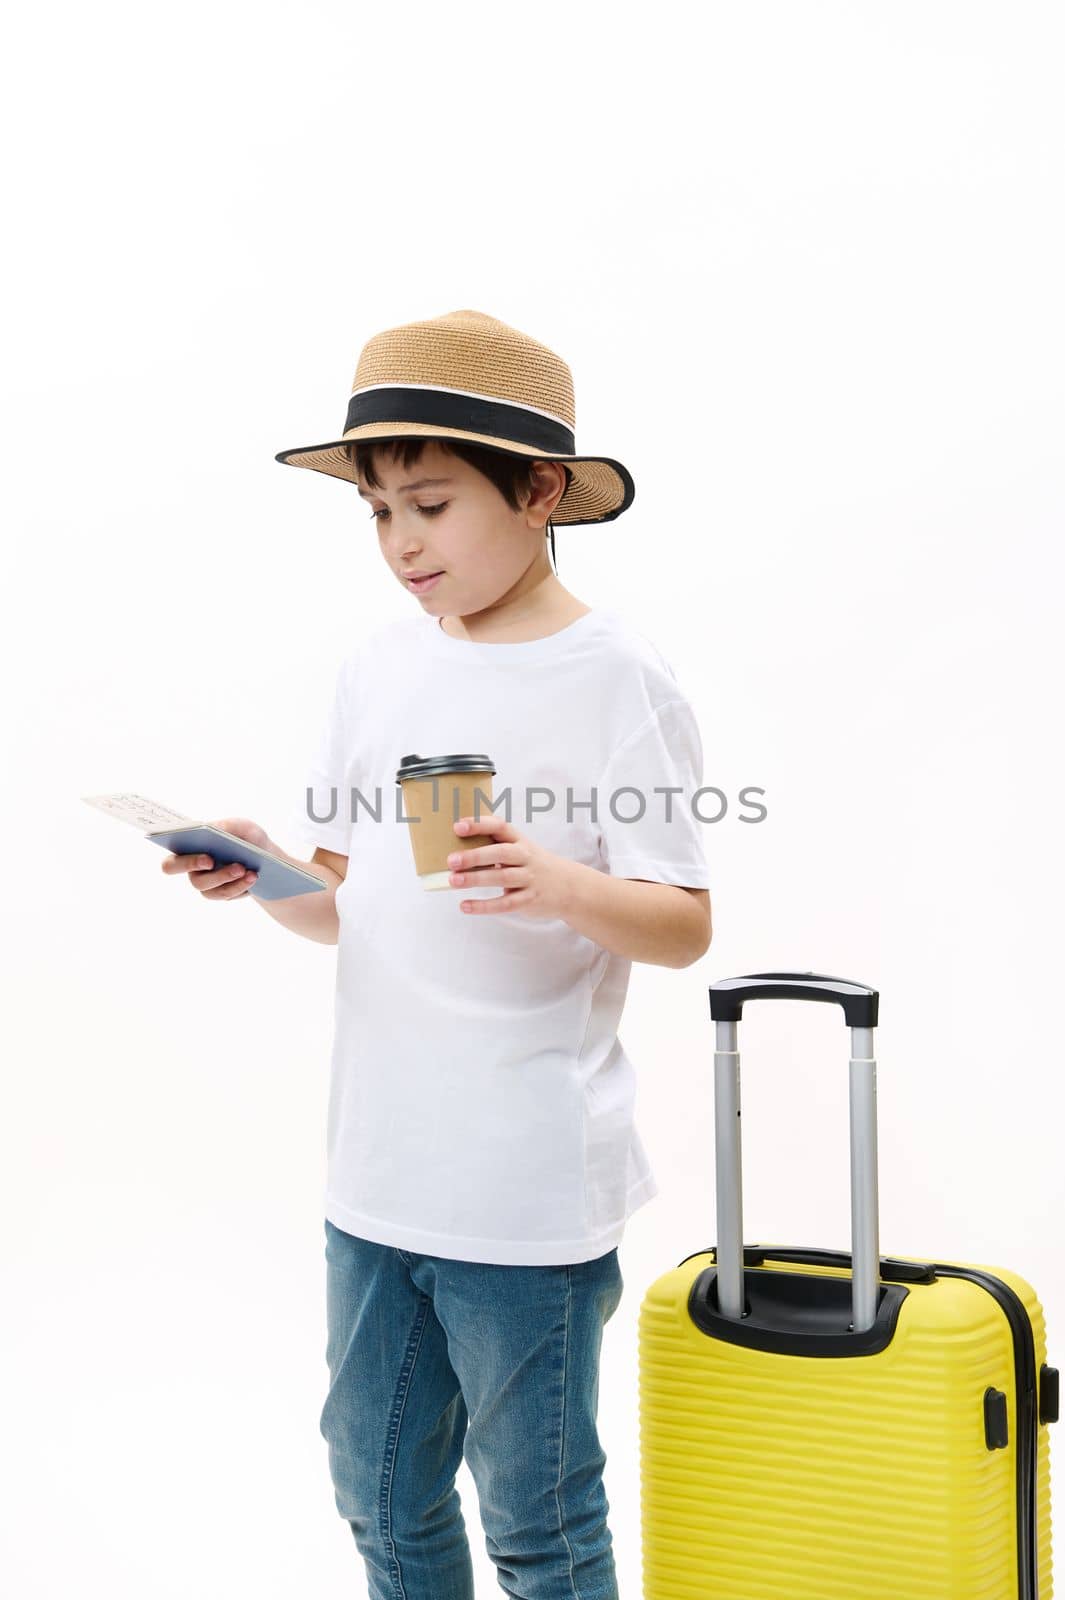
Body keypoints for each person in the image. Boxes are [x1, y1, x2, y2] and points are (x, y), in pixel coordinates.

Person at [161, 308, 713, 1600]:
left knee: (537, 1520)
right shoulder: (380, 668)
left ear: (536, 493)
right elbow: (350, 902)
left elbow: (684, 923)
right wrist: (265, 875)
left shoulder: (614, 676)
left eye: (429, 505)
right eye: (378, 515)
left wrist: (562, 882)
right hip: (376, 1171)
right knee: (377, 1487)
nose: (401, 544)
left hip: (522, 1190)